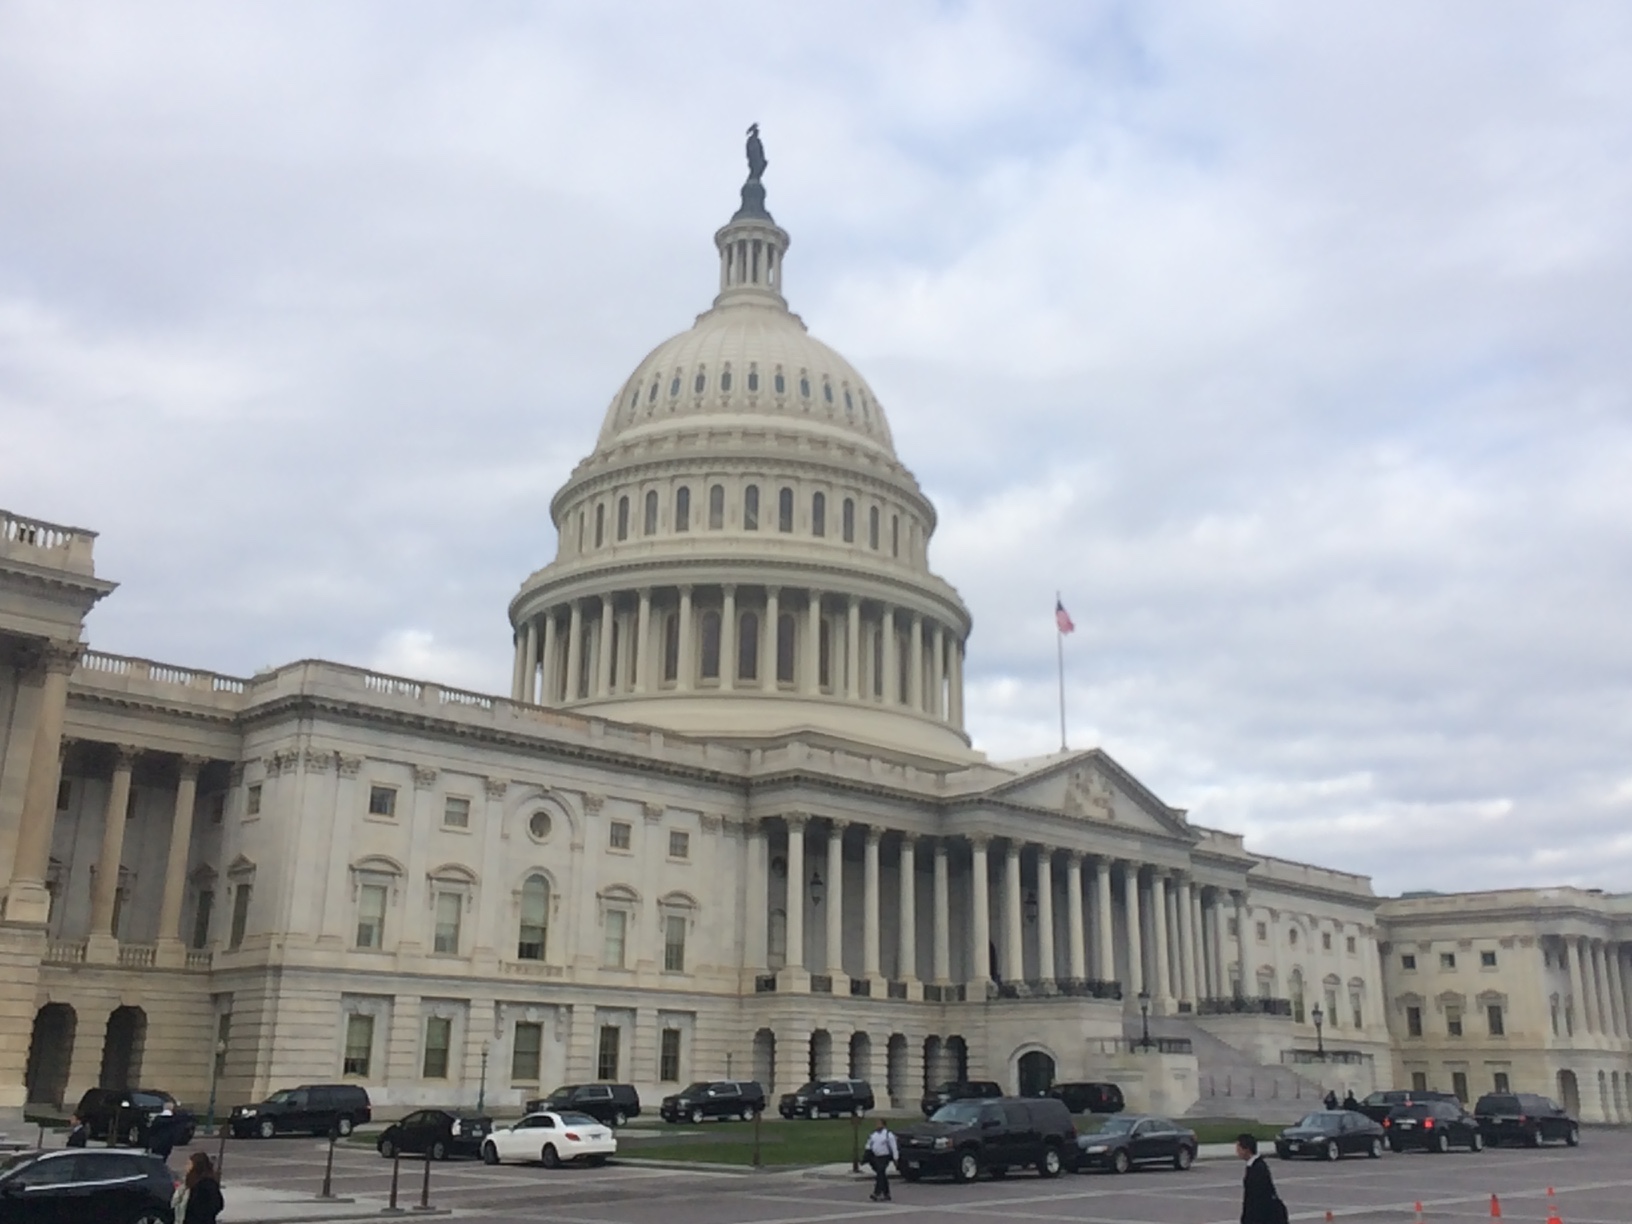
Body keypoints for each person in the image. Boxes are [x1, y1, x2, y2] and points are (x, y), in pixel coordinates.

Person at [1237, 1133, 1288, 1224]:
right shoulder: (1253, 1166)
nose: (1237, 1151)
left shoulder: (1258, 1169)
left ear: (1246, 1149)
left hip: (1264, 1217)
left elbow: (1258, 1198)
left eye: (1238, 1148)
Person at [178, 1151, 224, 1224]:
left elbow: (216, 1204)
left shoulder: (205, 1184)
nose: (186, 1166)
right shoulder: (193, 1182)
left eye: (189, 1164)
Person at [863, 1118, 898, 1202]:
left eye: (879, 1124)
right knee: (881, 1174)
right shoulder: (873, 1135)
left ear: (884, 1125)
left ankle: (877, 1192)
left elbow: (894, 1147)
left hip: (884, 1156)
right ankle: (886, 1193)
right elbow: (869, 1144)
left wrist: (896, 1158)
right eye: (877, 1123)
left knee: (880, 1172)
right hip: (876, 1157)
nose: (877, 1125)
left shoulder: (888, 1135)